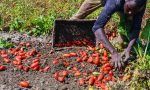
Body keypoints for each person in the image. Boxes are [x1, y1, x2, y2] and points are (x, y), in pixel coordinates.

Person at [92, 0, 147, 69]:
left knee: (129, 18)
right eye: (129, 8)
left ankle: (121, 39)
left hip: (123, 4)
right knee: (82, 13)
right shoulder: (115, 2)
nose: (130, 12)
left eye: (134, 11)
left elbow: (136, 28)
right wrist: (114, 52)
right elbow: (97, 27)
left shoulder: (140, 4)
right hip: (110, 2)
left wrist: (129, 48)